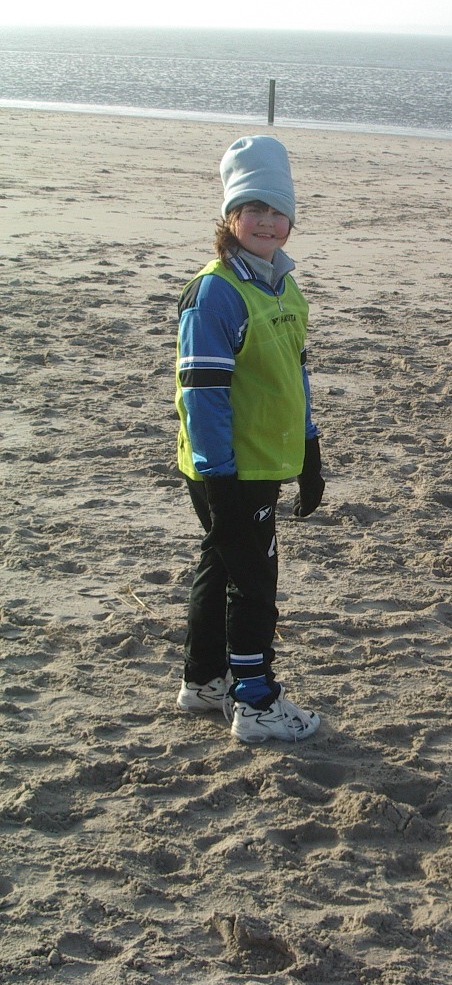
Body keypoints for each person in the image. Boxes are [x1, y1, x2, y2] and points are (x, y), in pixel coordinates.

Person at [174, 135, 325, 745]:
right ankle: (256, 701)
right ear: (230, 217)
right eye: (253, 208)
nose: (266, 221)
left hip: (267, 460)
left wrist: (310, 450)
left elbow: (295, 372)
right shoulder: (215, 292)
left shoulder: (283, 283)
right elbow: (202, 392)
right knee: (254, 584)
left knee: (221, 564)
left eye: (277, 210)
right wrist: (220, 478)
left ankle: (204, 680)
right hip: (232, 468)